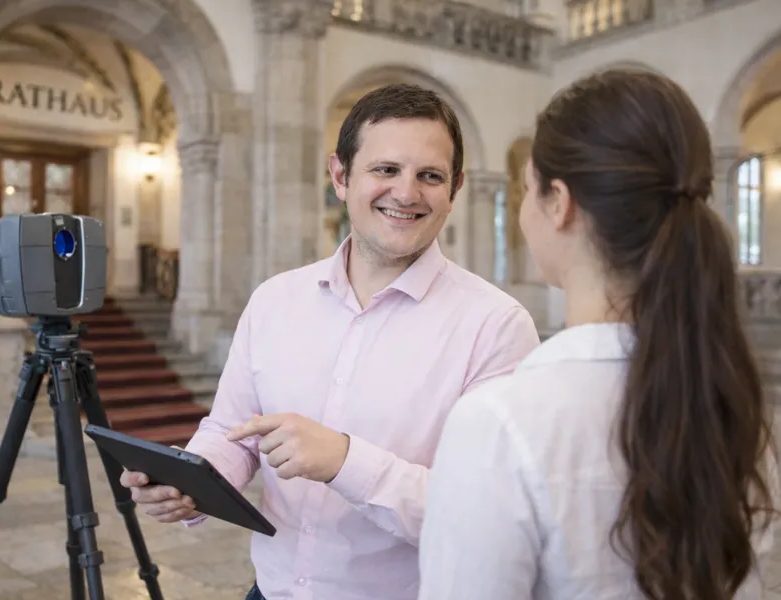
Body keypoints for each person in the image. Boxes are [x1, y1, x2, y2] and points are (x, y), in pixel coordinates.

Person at [120, 83, 541, 599]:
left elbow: (484, 516)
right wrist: (192, 481)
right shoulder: (275, 300)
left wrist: (346, 462)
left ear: (454, 189)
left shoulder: (497, 325)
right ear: (340, 176)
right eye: (386, 169)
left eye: (429, 176)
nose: (407, 193)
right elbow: (232, 429)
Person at [418, 68, 780, 600]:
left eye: (528, 188)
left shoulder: (499, 425)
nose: (522, 208)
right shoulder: (736, 412)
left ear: (559, 202)